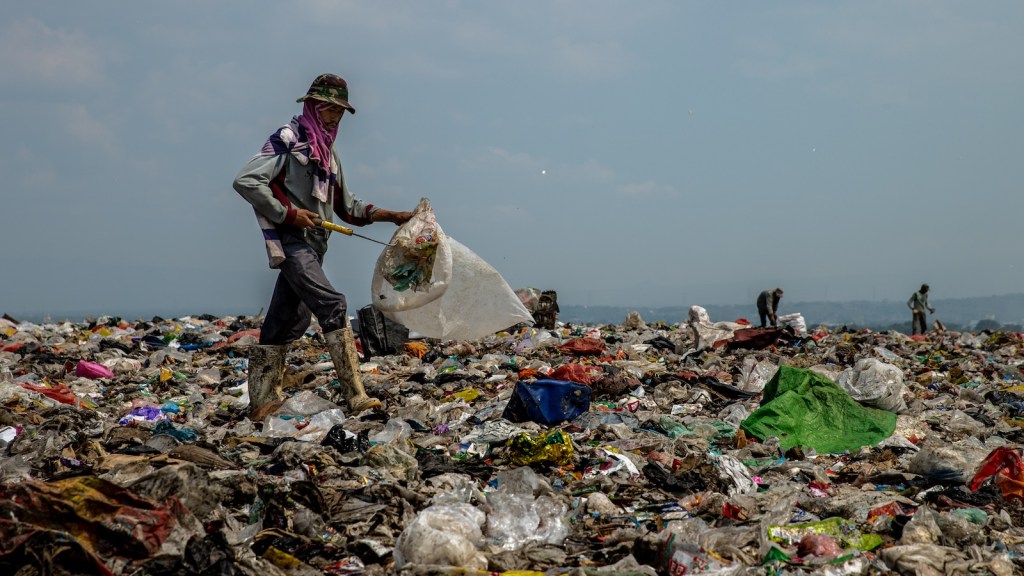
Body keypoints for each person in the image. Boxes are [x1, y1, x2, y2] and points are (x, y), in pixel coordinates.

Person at [234, 73, 413, 415]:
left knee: (281, 322)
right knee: (333, 304)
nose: (333, 117)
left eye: (339, 112)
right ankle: (355, 395)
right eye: (328, 109)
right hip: (292, 242)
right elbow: (246, 181)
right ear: (313, 106)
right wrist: (288, 213)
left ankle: (262, 402)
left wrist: (392, 215)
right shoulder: (287, 140)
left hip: (316, 244)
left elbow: (348, 207)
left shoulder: (329, 154)